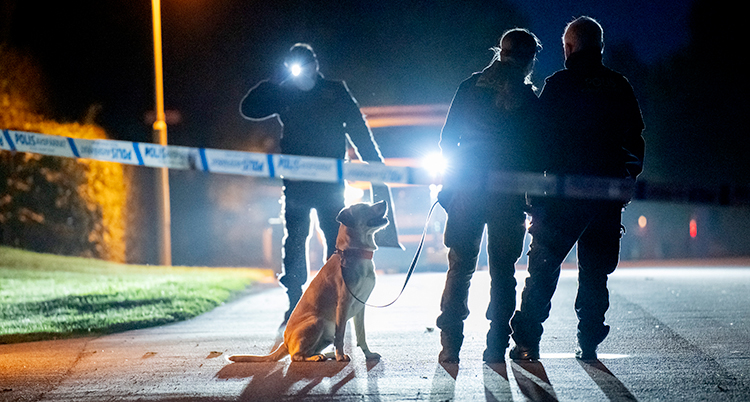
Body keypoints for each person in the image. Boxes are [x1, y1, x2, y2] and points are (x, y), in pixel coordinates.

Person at [509, 16, 645, 361]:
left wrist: (532, 192)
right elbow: (634, 139)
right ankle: (589, 338)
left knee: (543, 267)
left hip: (560, 196)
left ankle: (527, 340)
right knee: (595, 270)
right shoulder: (619, 86)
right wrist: (627, 178)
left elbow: (537, 141)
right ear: (598, 47)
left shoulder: (558, 85)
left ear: (570, 48)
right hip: (605, 196)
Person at [240, 43, 385, 324]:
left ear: (315, 65)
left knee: (336, 241)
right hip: (296, 183)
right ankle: (295, 302)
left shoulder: (335, 90)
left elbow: (357, 126)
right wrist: (273, 81)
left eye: (304, 65)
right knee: (295, 240)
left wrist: (376, 164)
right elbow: (249, 109)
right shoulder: (285, 92)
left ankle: (336, 299)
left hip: (330, 183)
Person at [436, 28, 543, 364]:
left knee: (460, 267)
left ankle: (450, 345)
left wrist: (451, 186)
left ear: (500, 52)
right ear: (530, 61)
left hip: (467, 193)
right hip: (507, 197)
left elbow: (446, 141)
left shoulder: (469, 88)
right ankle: (496, 346)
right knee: (503, 272)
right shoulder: (529, 101)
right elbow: (537, 156)